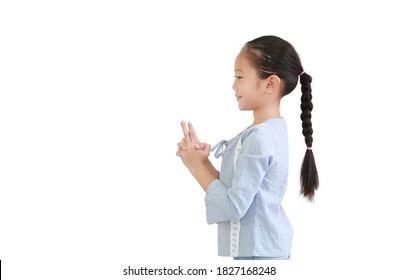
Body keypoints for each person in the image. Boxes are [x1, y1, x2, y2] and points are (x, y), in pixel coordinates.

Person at [176, 35, 319, 260]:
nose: (234, 85)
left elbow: (234, 206)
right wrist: (203, 162)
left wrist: (196, 168)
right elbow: (237, 192)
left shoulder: (260, 137)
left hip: (258, 256)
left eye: (239, 76)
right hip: (263, 251)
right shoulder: (268, 131)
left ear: (270, 83)